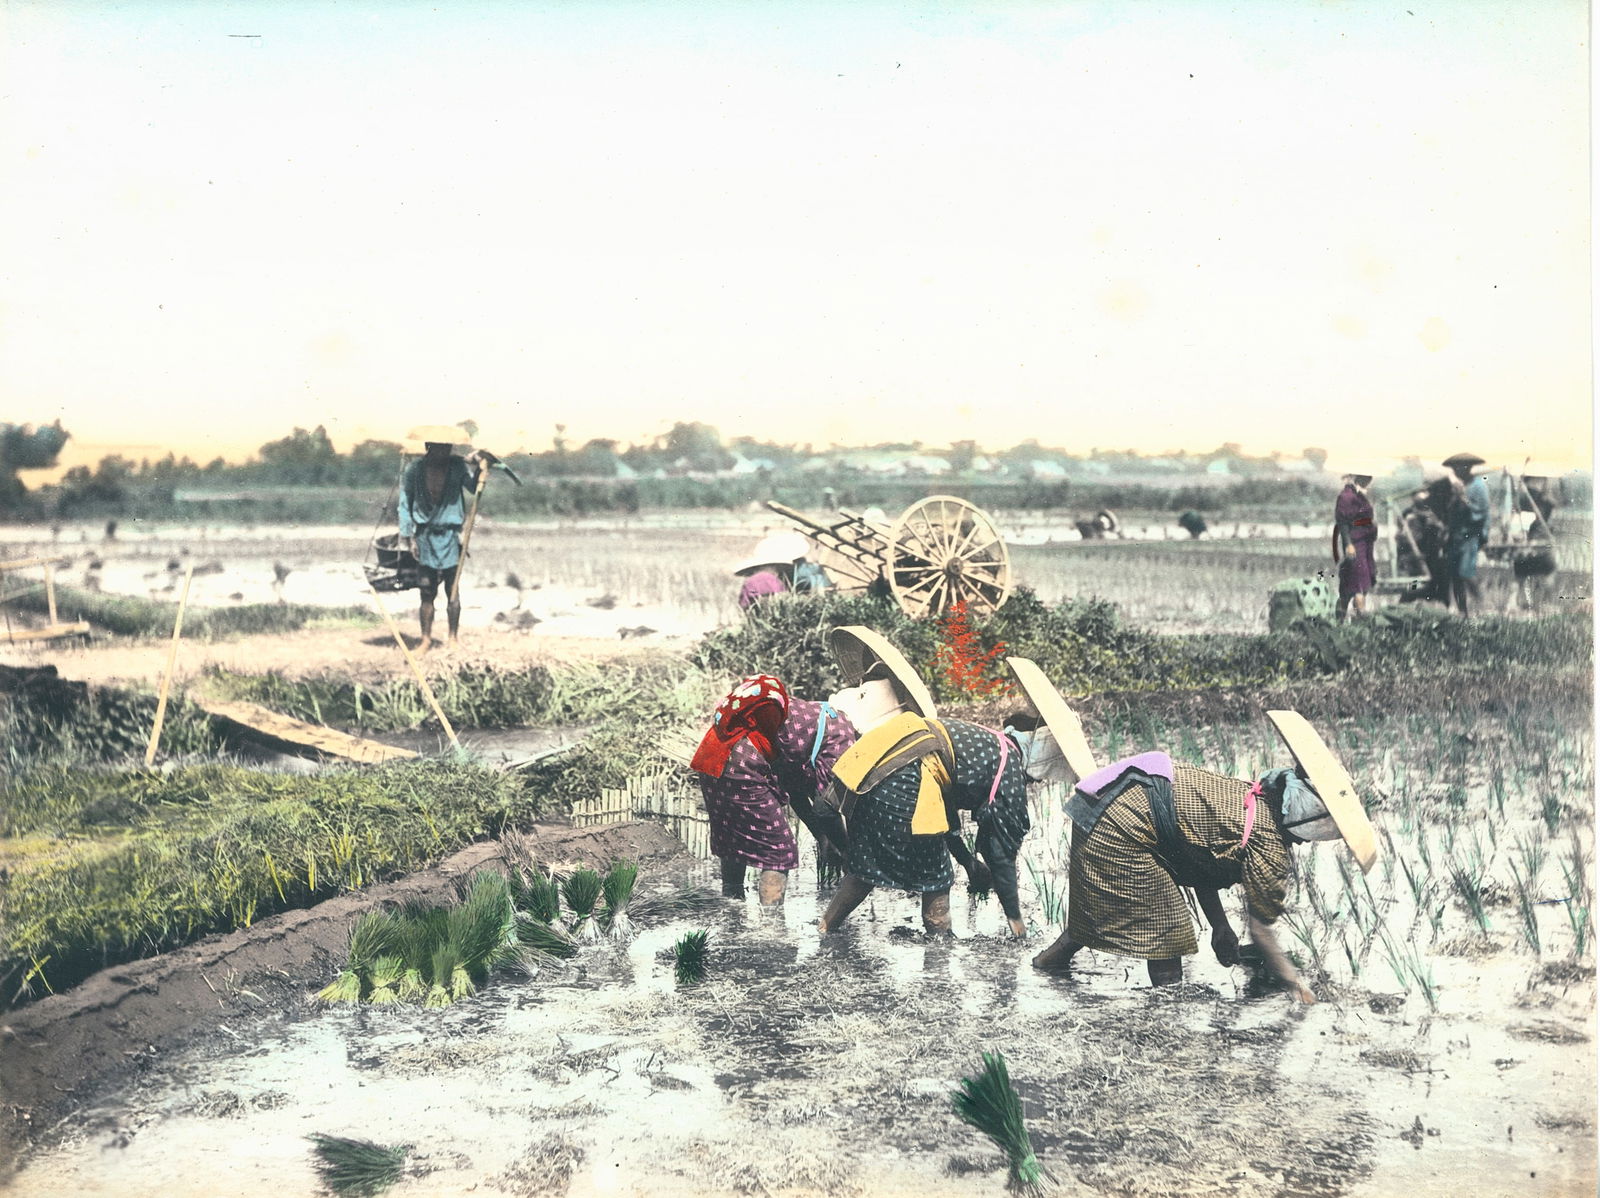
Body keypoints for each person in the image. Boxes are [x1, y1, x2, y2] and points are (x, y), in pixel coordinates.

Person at [1031, 707, 1377, 1002]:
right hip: (1122, 822)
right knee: (1169, 931)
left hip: (1107, 802)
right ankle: (1170, 1021)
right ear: (1312, 823)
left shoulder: (1248, 797)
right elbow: (1261, 932)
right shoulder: (1269, 846)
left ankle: (1046, 968)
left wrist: (1220, 926)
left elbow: (1197, 860)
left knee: (1100, 913)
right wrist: (1295, 984)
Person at [815, 627, 1030, 939]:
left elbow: (945, 818)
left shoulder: (965, 736)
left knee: (862, 870)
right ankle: (939, 947)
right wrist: (1017, 927)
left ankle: (826, 928)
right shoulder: (1008, 761)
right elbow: (1001, 854)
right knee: (936, 877)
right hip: (906, 781)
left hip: (872, 773)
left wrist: (970, 864)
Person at [690, 674, 857, 905]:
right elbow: (824, 808)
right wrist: (846, 849)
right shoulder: (842, 734)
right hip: (743, 762)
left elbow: (796, 791)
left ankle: (731, 910)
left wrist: (822, 838)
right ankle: (771, 930)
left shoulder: (810, 715)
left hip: (711, 753)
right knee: (779, 852)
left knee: (733, 838)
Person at [398, 427, 483, 651]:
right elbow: (405, 503)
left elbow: (473, 488)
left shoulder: (457, 466)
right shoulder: (414, 470)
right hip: (424, 535)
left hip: (450, 536)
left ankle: (452, 637)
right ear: (428, 447)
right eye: (439, 448)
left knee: (452, 589)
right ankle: (426, 638)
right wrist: (409, 538)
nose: (444, 453)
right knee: (426, 590)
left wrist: (481, 468)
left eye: (448, 448)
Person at [1442, 452, 1490, 617]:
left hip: (1470, 535)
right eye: (1454, 468)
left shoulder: (1478, 486)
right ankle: (1463, 612)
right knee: (1455, 575)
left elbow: (1481, 512)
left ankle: (1482, 605)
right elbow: (1451, 511)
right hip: (1455, 535)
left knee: (1465, 572)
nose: (1455, 471)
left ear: (1467, 468)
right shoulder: (1458, 485)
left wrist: (1462, 497)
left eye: (1458, 467)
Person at [1331, 472, 1377, 620]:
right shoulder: (1346, 497)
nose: (1367, 482)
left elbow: (1362, 520)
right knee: (1358, 583)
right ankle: (1361, 618)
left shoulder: (1360, 496)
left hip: (1365, 545)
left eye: (1368, 479)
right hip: (1355, 543)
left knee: (1355, 584)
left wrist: (1370, 523)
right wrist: (1348, 544)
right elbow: (1344, 523)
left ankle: (1344, 619)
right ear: (1356, 478)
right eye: (1364, 479)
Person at [733, 532, 810, 612]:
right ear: (775, 565)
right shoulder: (771, 580)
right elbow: (782, 602)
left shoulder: (750, 582)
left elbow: (744, 605)